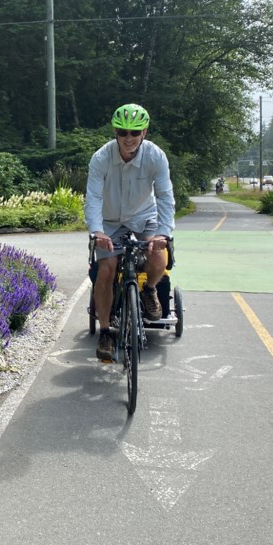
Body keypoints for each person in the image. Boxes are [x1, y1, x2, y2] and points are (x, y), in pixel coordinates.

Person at [84, 103, 175, 362]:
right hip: (109, 222)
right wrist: (96, 231)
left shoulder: (156, 156)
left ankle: (149, 291)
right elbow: (92, 198)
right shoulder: (101, 158)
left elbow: (166, 196)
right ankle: (105, 332)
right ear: (115, 132)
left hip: (145, 217)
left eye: (134, 133)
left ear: (144, 132)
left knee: (158, 257)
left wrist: (163, 233)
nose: (128, 138)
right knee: (106, 270)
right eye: (122, 132)